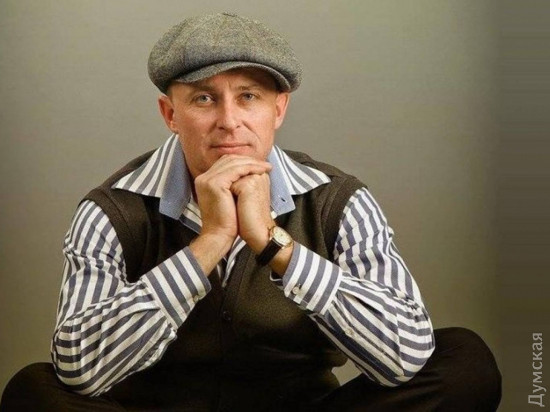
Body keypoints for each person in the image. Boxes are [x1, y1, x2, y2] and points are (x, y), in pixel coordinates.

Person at [1, 13, 501, 411]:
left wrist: (270, 241)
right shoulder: (112, 210)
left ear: (278, 110)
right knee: (33, 391)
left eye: (249, 97)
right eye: (204, 99)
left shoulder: (338, 199)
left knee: (465, 362)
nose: (229, 121)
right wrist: (210, 242)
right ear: (170, 114)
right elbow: (81, 371)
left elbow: (405, 357)